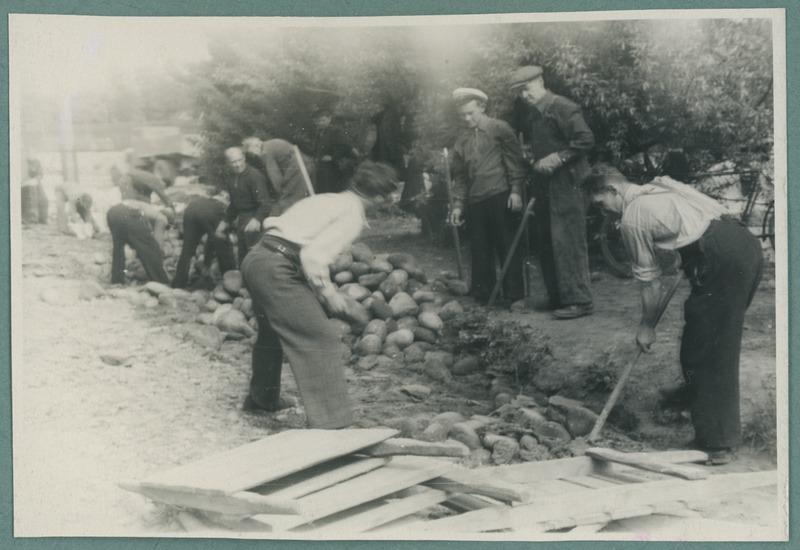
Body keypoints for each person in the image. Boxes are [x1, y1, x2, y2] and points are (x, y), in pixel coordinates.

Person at [584, 172, 764, 464]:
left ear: (613, 189)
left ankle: (716, 445)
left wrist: (646, 327)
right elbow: (699, 220)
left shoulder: (633, 216)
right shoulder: (661, 184)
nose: (604, 212)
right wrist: (689, 257)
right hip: (743, 245)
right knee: (708, 340)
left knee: (706, 349)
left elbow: (650, 282)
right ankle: (694, 400)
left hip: (723, 258)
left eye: (602, 203)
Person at [240, 161, 398, 429]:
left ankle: (262, 398)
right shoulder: (352, 213)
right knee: (320, 337)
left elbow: (274, 222)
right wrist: (328, 293)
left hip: (257, 258)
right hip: (277, 266)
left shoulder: (328, 199)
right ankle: (332, 424)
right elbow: (312, 255)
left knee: (271, 332)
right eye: (389, 194)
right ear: (381, 195)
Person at [510, 65, 595, 319]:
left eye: (526, 89)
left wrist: (558, 157)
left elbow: (585, 140)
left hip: (568, 184)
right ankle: (558, 297)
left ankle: (580, 301)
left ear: (540, 82)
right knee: (547, 241)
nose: (524, 96)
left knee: (567, 241)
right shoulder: (535, 114)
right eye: (519, 92)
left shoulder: (563, 106)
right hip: (546, 186)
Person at [448, 87, 527, 305]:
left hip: (501, 195)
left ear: (482, 107)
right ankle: (483, 295)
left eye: (470, 113)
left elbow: (514, 162)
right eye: (462, 114)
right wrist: (457, 205)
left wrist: (516, 191)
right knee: (480, 248)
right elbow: (461, 176)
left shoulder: (499, 129)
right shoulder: (461, 140)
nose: (466, 118)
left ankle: (515, 296)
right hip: (476, 200)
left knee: (507, 244)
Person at [215, 147, 272, 266]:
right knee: (243, 257)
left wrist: (257, 219)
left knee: (255, 257)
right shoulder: (231, 178)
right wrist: (225, 221)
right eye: (233, 162)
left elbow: (265, 203)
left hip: (256, 219)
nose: (237, 164)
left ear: (244, 158)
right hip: (242, 220)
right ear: (227, 163)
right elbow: (235, 204)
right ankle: (244, 282)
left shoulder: (254, 176)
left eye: (240, 160)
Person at [171, 193, 237, 289]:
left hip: (191, 209)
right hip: (212, 212)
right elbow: (218, 242)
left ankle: (178, 284)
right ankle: (232, 281)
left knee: (187, 251)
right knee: (224, 247)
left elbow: (211, 240)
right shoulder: (229, 208)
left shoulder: (215, 198)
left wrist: (207, 263)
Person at [116, 150, 177, 249]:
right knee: (129, 207)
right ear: (163, 182)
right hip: (126, 181)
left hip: (128, 181)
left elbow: (146, 200)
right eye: (164, 187)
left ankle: (135, 229)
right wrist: (173, 211)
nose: (163, 188)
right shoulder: (156, 180)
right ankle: (129, 232)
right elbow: (164, 197)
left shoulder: (149, 183)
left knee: (138, 208)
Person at [243, 137, 315, 216]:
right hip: (306, 164)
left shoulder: (265, 152)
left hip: (298, 168)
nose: (253, 155)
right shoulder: (270, 143)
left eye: (252, 152)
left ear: (255, 146)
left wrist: (281, 193)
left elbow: (275, 176)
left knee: (287, 200)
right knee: (303, 196)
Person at [107, 203, 170, 285]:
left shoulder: (150, 212)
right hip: (127, 214)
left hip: (112, 212)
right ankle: (160, 281)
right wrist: (160, 256)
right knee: (151, 246)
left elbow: (136, 238)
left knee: (118, 248)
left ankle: (117, 280)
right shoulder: (162, 219)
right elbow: (155, 243)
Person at [311, 109, 359, 194]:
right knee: (321, 187)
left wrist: (333, 157)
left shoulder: (334, 131)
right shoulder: (320, 132)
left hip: (332, 166)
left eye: (323, 120)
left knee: (330, 188)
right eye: (318, 121)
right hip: (322, 165)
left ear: (329, 119)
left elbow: (345, 146)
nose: (321, 123)